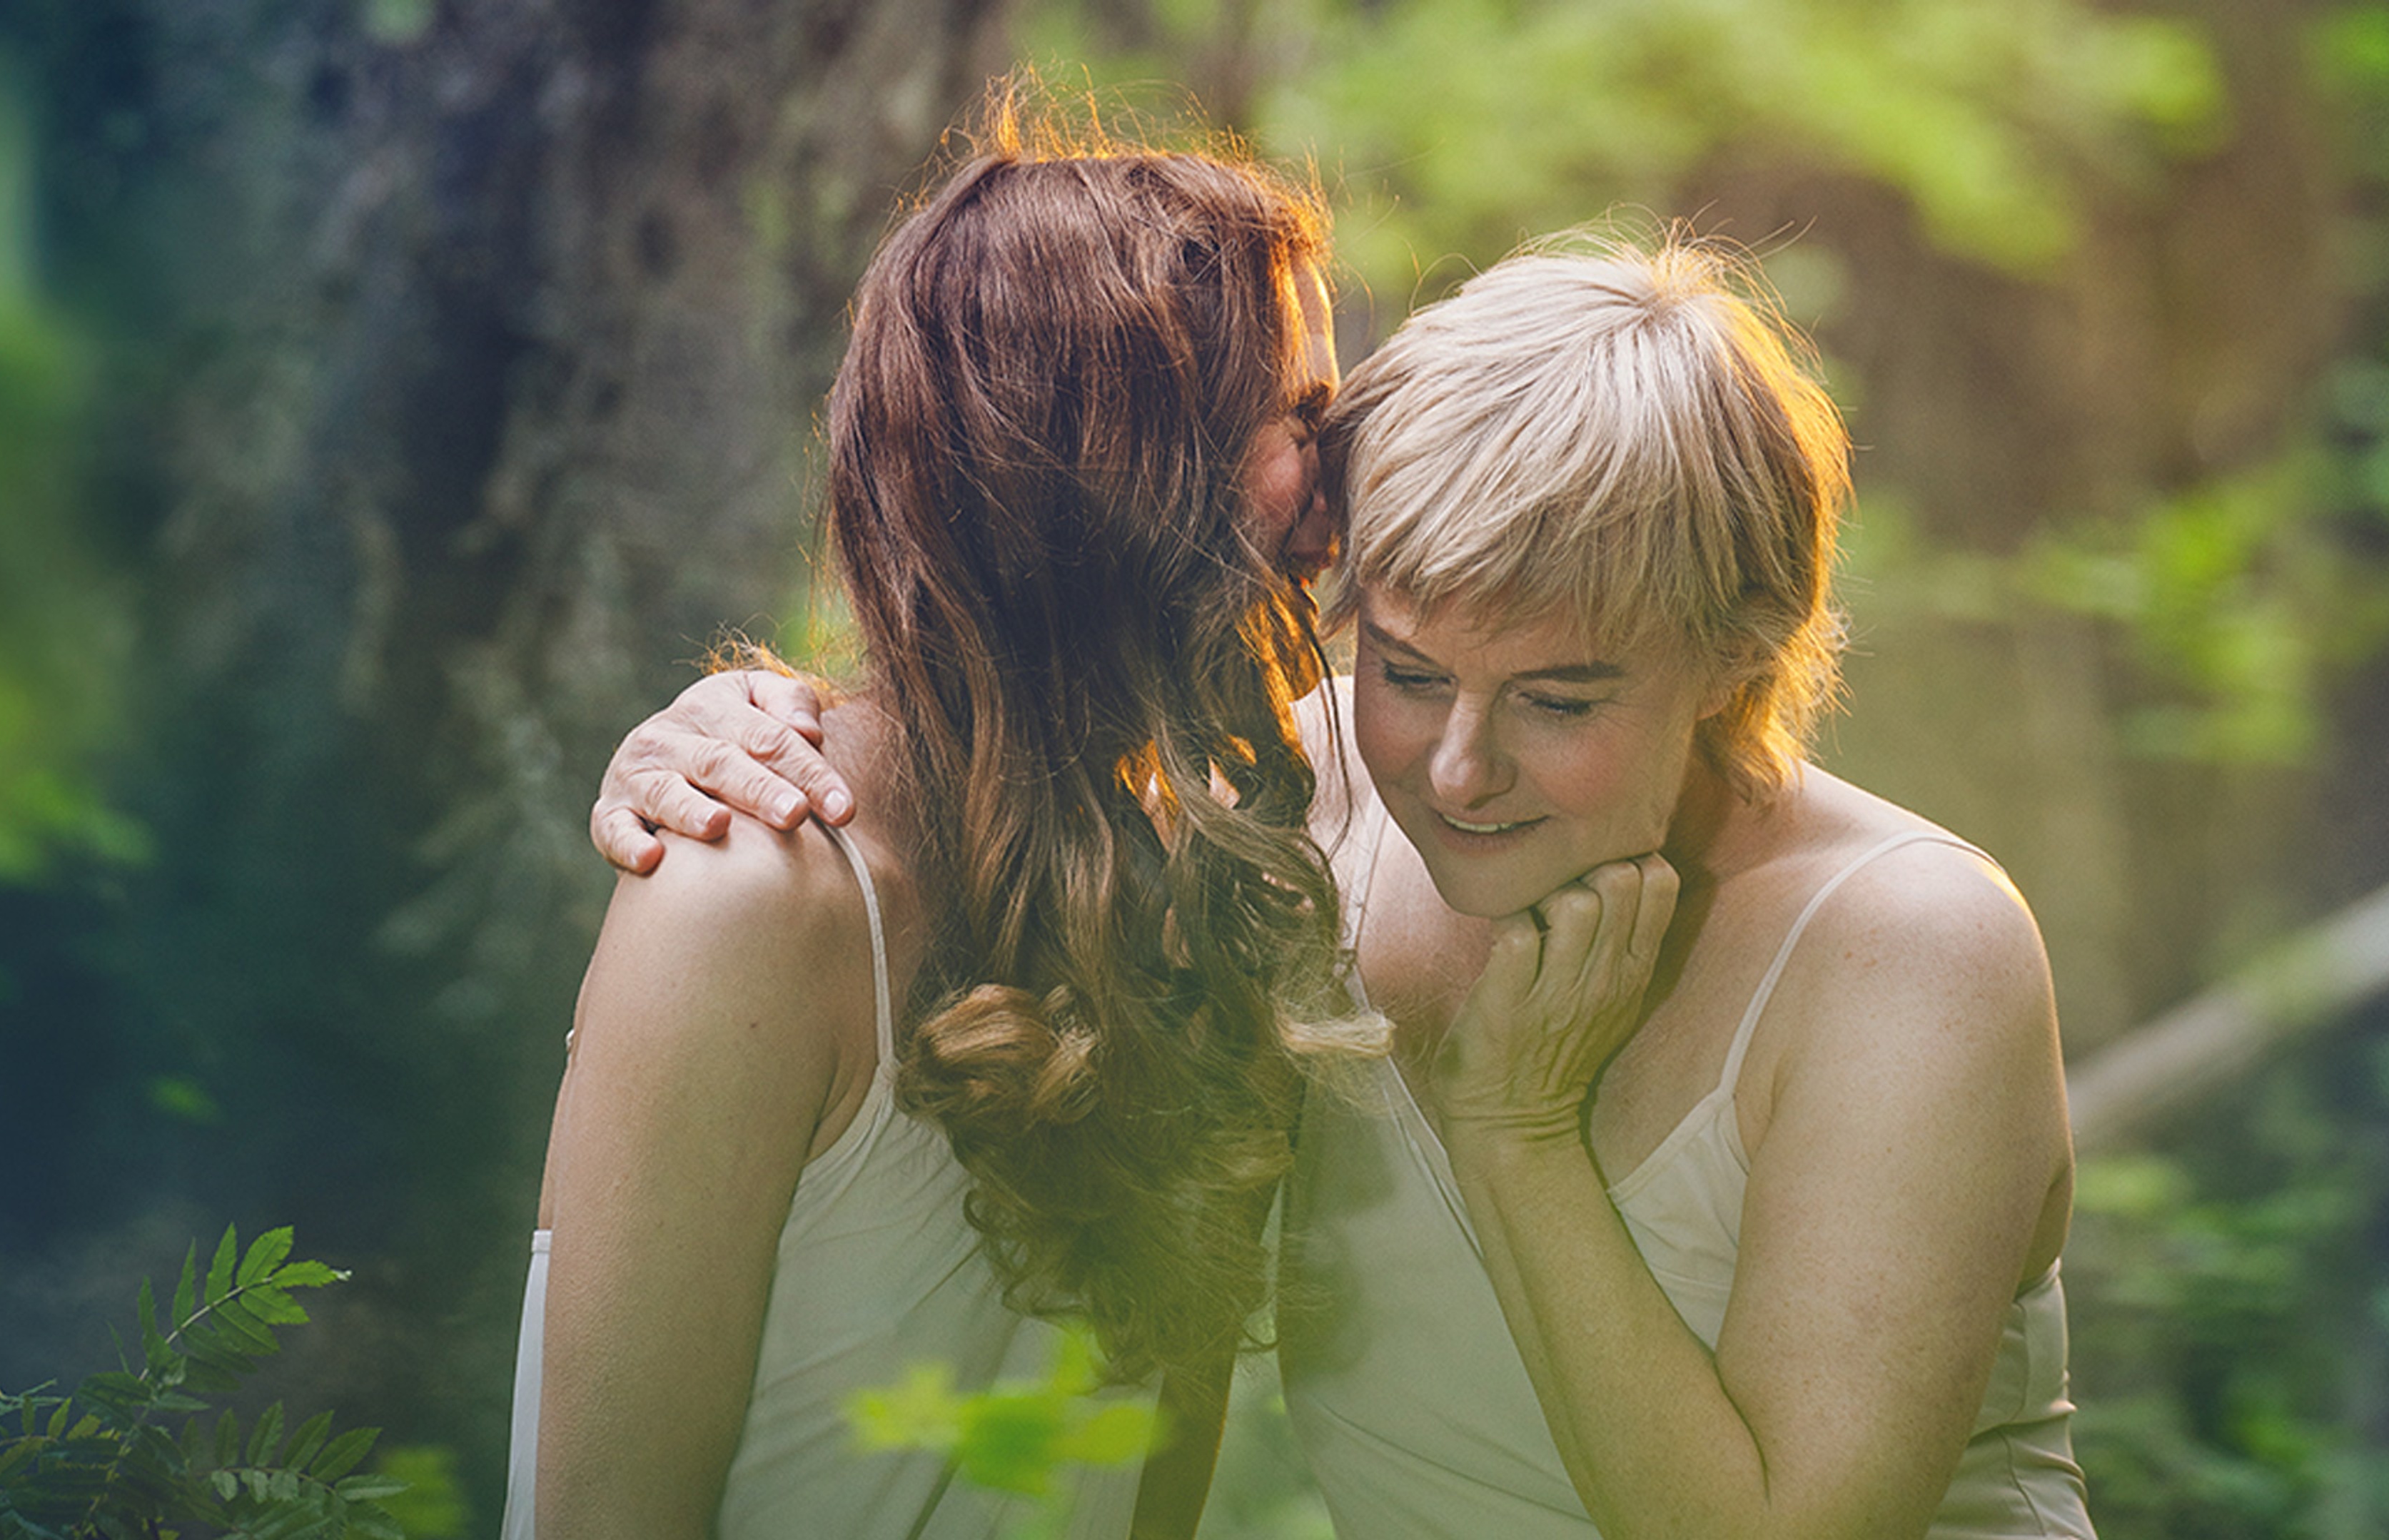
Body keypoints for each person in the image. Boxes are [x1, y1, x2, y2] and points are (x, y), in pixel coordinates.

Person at [600, 238, 2094, 1539]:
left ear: (1736, 659)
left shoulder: (1909, 951)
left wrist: (1520, 1136)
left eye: (1560, 700)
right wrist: (743, 727)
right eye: (1409, 668)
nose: (1454, 771)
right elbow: (1013, 739)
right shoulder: (1302, 817)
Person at [507, 96, 1364, 1540]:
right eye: (1302, 420)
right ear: (1123, 460)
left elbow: (1155, 1479)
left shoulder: (1209, 879)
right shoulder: (751, 903)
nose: (1340, 494)